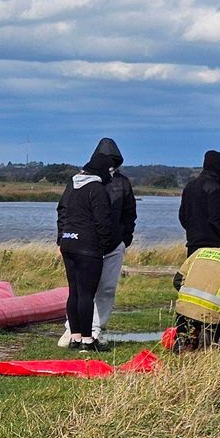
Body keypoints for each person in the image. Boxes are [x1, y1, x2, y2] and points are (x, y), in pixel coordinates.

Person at [57, 138, 136, 350]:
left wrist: (124, 238)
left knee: (105, 289)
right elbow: (64, 211)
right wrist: (62, 236)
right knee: (82, 290)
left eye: (114, 162)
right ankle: (76, 331)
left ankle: (95, 329)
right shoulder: (82, 183)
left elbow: (129, 214)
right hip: (89, 245)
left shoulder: (122, 183)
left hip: (110, 244)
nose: (111, 166)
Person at [179, 150, 220, 256]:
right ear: (219, 168)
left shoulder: (190, 185)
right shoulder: (215, 189)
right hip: (212, 245)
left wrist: (193, 231)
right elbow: (217, 218)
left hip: (192, 243)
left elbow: (182, 216)